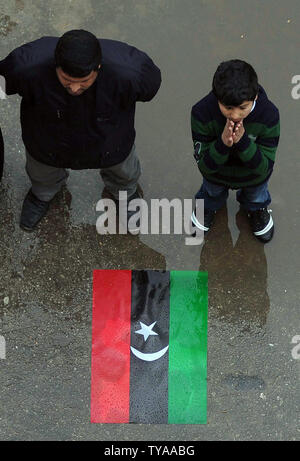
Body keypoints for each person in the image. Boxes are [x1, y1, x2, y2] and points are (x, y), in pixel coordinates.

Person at [0, 30, 161, 231]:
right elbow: (1, 85)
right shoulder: (26, 66)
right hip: (47, 139)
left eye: (84, 81)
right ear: (55, 65)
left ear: (98, 67)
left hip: (110, 140)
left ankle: (125, 193)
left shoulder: (130, 72)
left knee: (123, 171)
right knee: (42, 172)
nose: (75, 88)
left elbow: (152, 86)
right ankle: (43, 193)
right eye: (66, 79)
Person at [191, 60, 280, 243]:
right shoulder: (201, 113)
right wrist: (223, 143)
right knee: (211, 193)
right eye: (228, 108)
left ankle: (256, 209)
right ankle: (208, 206)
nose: (235, 115)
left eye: (242, 108)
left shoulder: (269, 115)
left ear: (255, 97)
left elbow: (264, 167)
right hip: (216, 175)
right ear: (217, 98)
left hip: (254, 178)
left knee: (256, 195)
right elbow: (205, 166)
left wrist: (243, 142)